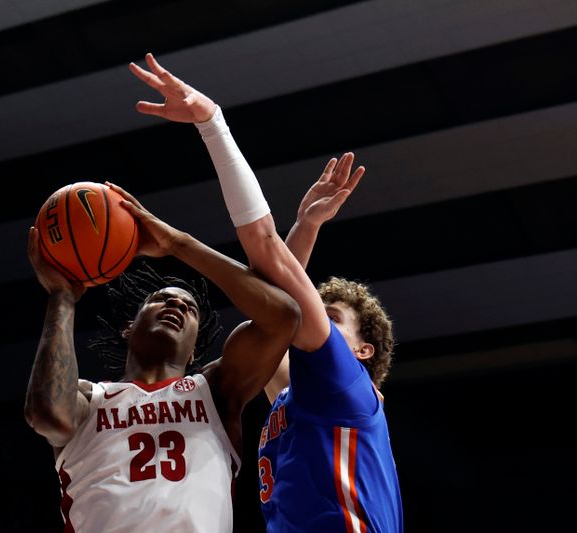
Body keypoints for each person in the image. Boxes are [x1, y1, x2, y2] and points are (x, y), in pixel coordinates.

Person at [130, 53, 403, 532]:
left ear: (361, 351)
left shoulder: (345, 389)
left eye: (330, 315)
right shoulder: (296, 397)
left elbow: (265, 256)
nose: (312, 315)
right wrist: (305, 227)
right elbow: (275, 313)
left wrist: (212, 124)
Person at [24, 183, 300, 532]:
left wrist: (177, 244)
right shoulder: (88, 399)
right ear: (129, 327)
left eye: (190, 308)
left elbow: (284, 317)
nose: (177, 305)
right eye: (161, 299)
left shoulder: (215, 391)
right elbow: (47, 416)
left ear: (196, 344)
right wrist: (61, 297)